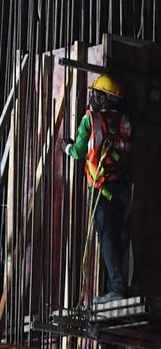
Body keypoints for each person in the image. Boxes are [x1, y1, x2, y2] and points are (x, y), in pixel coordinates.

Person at [64, 73, 133, 303]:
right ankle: (120, 284)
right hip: (122, 189)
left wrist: (67, 147)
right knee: (121, 236)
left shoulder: (91, 120)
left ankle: (117, 287)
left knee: (107, 237)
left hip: (102, 191)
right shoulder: (125, 120)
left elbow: (79, 152)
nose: (92, 97)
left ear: (103, 99)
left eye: (96, 94)